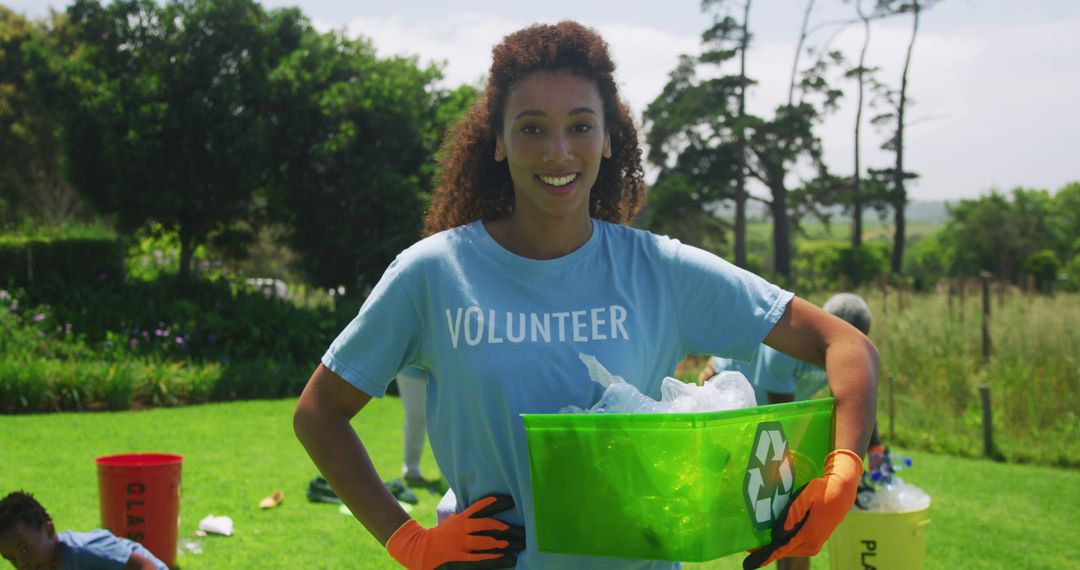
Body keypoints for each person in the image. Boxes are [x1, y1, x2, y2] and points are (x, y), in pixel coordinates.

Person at [293, 20, 878, 570]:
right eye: (531, 128)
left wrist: (844, 468)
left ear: (606, 140)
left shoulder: (660, 270)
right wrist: (410, 542)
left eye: (579, 126)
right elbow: (319, 413)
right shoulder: (434, 273)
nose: (557, 151)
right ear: (497, 140)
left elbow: (846, 346)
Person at [700, 292, 882, 570]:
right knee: (784, 494)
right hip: (723, 393)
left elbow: (857, 399)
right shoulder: (784, 353)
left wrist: (875, 448)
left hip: (767, 407)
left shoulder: (846, 354)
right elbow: (784, 422)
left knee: (794, 504)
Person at [0, 491, 167, 570]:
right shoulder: (44, 564)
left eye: (24, 548)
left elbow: (144, 566)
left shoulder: (84, 549)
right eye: (11, 559)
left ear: (49, 530)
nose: (22, 563)